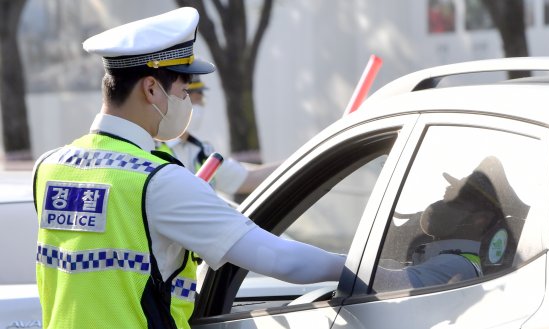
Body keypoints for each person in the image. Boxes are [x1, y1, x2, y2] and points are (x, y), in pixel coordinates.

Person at [33, 8, 345, 329]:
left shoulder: (50, 167)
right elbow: (282, 260)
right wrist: (366, 265)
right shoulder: (158, 181)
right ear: (152, 89)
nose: (188, 104)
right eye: (184, 92)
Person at [374, 156, 518, 292]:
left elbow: (384, 284)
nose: (441, 203)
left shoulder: (455, 265)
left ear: (481, 219)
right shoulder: (440, 258)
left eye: (455, 199)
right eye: (447, 195)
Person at [156, 75, 280, 197]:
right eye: (191, 98)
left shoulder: (201, 151)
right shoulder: (151, 148)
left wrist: (297, 163)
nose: (199, 105)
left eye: (201, 99)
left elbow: (249, 178)